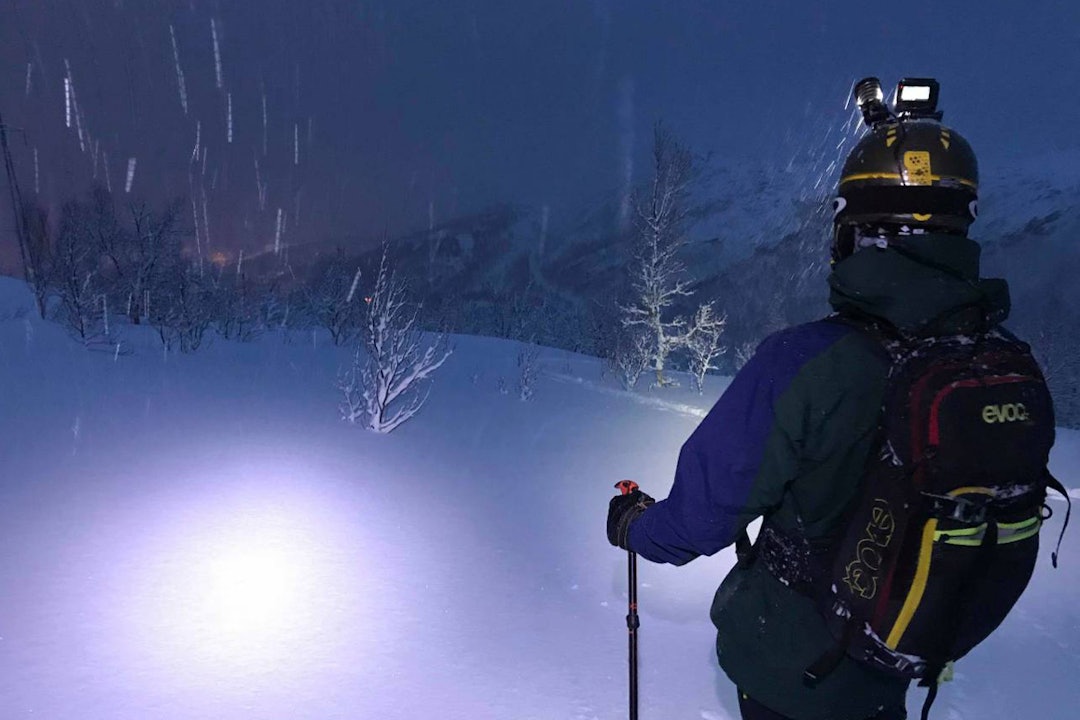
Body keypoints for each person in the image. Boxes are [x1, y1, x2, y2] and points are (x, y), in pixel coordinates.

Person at [606, 78, 1047, 720]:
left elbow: (699, 522)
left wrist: (634, 525)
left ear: (855, 231)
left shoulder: (805, 362)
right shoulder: (996, 360)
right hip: (895, 658)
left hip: (793, 670)